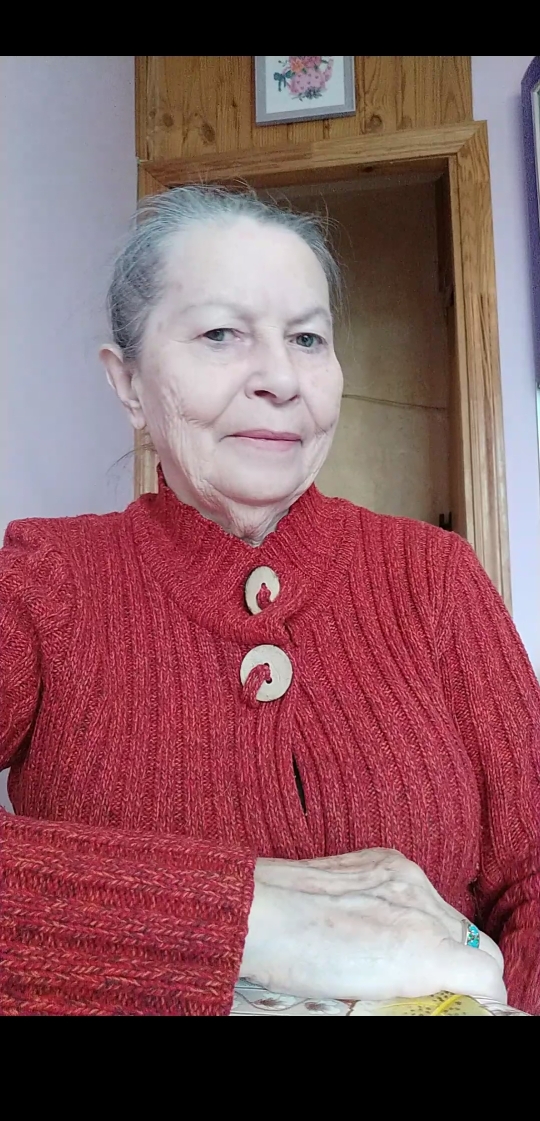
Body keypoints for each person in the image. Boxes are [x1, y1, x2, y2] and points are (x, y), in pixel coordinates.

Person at [1, 185, 538, 1017]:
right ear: (129, 382)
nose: (281, 379)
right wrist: (247, 915)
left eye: (307, 338)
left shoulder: (434, 575)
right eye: (221, 333)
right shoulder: (48, 581)